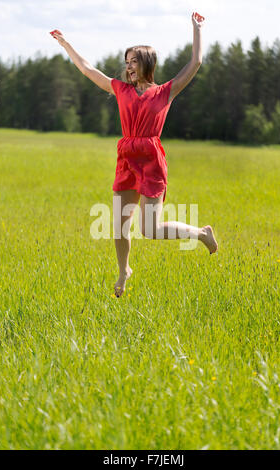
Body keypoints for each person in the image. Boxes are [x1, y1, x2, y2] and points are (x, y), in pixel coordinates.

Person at [50, 12, 218, 298]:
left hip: (151, 160)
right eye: (126, 63)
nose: (128, 68)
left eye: (134, 62)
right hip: (127, 157)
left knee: (150, 228)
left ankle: (202, 234)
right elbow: (88, 69)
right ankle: (123, 270)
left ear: (147, 64)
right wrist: (66, 44)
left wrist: (198, 29)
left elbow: (196, 63)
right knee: (119, 223)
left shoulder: (166, 92)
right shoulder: (120, 89)